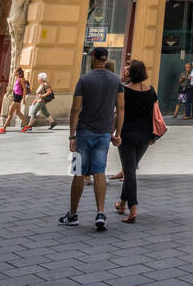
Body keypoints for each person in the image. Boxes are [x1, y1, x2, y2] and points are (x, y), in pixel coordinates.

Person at [59, 46, 123, 231]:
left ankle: (72, 214)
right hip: (104, 134)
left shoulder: (84, 79)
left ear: (93, 58)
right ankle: (100, 213)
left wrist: (72, 134)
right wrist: (117, 133)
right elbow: (121, 108)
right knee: (99, 172)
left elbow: (75, 109)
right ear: (106, 59)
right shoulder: (116, 81)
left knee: (78, 172)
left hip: (84, 132)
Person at [114, 59, 157, 224]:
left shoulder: (124, 90)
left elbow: (119, 112)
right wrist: (153, 135)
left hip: (128, 135)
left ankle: (133, 209)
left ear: (130, 73)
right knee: (129, 169)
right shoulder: (150, 90)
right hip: (145, 136)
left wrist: (115, 133)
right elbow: (155, 114)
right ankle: (122, 204)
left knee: (129, 172)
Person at [0, 66, 29, 133]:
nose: (14, 72)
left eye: (15, 71)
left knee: (10, 114)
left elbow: (24, 89)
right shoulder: (17, 79)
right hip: (16, 97)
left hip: (17, 98)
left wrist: (24, 99)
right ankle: (27, 126)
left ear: (18, 72)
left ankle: (4, 129)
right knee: (18, 112)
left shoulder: (21, 79)